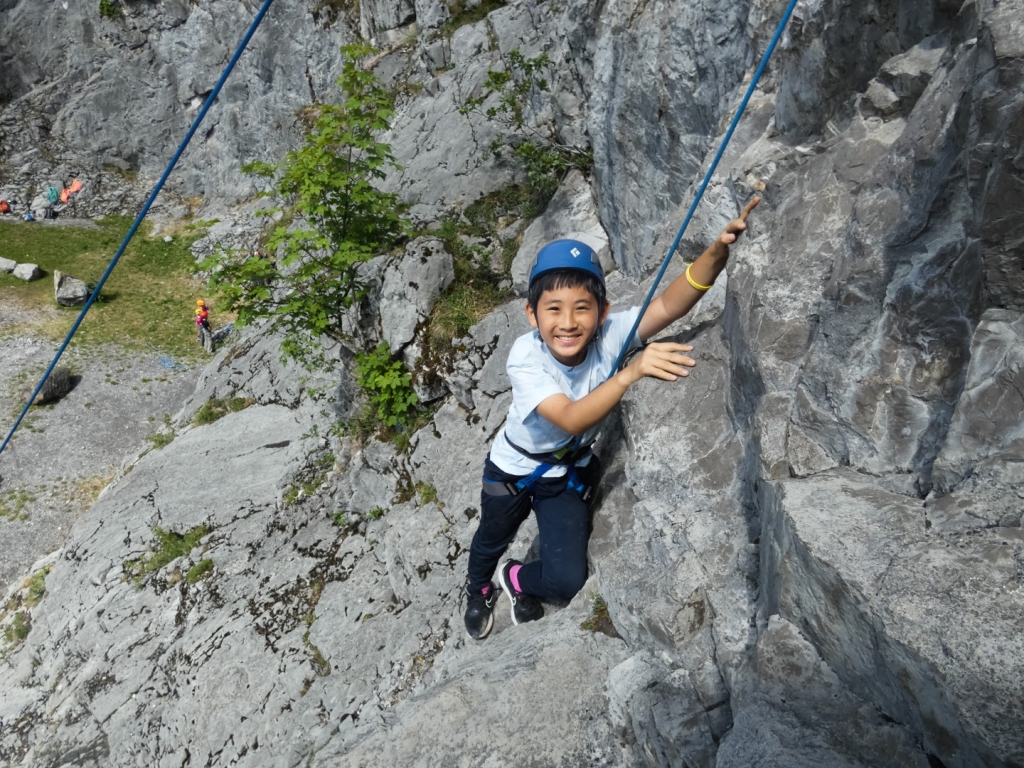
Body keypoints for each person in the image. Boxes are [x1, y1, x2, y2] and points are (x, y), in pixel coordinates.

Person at [463, 197, 761, 640]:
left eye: (582, 307)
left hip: (563, 473)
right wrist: (631, 373)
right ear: (532, 315)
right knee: (491, 535)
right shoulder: (526, 357)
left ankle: (514, 579)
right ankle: (478, 586)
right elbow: (568, 418)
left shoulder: (610, 336)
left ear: (602, 312)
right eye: (553, 309)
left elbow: (669, 305)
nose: (568, 322)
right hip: (514, 469)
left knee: (566, 581)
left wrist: (718, 251)